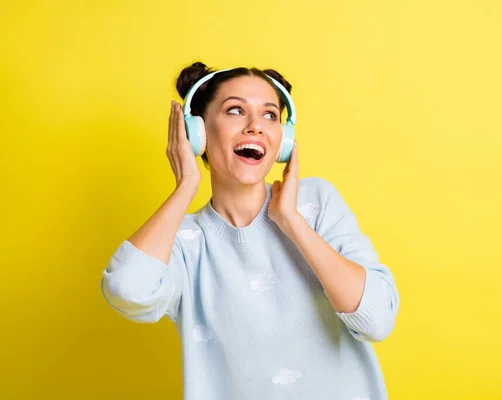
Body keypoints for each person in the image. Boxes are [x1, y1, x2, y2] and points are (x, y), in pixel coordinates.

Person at [100, 61, 400, 400]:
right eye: (235, 111)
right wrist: (185, 187)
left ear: (283, 140)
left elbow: (376, 320)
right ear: (197, 133)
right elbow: (127, 290)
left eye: (270, 115)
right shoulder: (183, 242)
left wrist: (291, 221)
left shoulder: (316, 203)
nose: (255, 126)